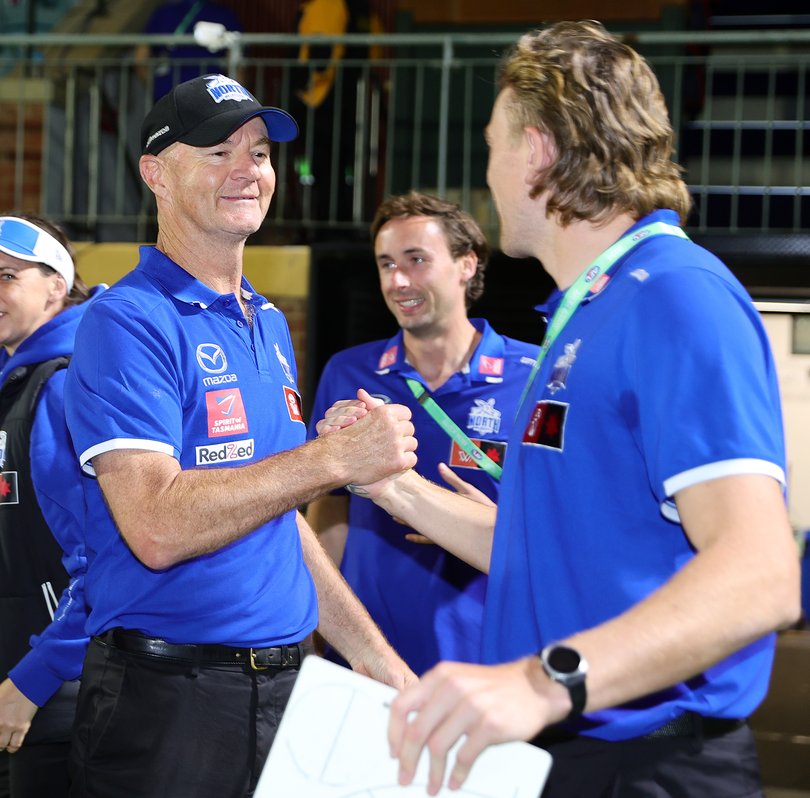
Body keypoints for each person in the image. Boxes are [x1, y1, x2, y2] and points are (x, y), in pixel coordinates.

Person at [317, 21, 801, 798]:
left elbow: (761, 574)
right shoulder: (583, 312)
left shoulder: (674, 296)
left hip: (650, 761)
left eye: (492, 147)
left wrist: (542, 683)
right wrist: (386, 484)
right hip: (575, 751)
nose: (489, 174)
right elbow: (554, 549)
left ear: (537, 151)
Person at [62, 73, 417, 798]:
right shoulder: (127, 321)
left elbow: (274, 520)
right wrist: (326, 460)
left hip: (286, 695)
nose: (248, 170)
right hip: (168, 703)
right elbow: (157, 525)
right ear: (155, 175)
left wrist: (379, 663)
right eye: (218, 151)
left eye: (258, 152)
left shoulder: (268, 322)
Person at [306, 191, 539, 675]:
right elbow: (328, 505)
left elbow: (563, 523)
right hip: (367, 662)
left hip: (491, 666)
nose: (398, 280)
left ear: (467, 265)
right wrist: (314, 630)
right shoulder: (350, 373)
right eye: (386, 264)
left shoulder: (535, 377)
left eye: (416, 260)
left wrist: (487, 524)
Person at [0, 215, 102, 797]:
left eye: (7, 275)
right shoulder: (17, 379)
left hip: (51, 695)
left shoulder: (62, 386)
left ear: (56, 286)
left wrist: (33, 680)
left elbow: (103, 556)